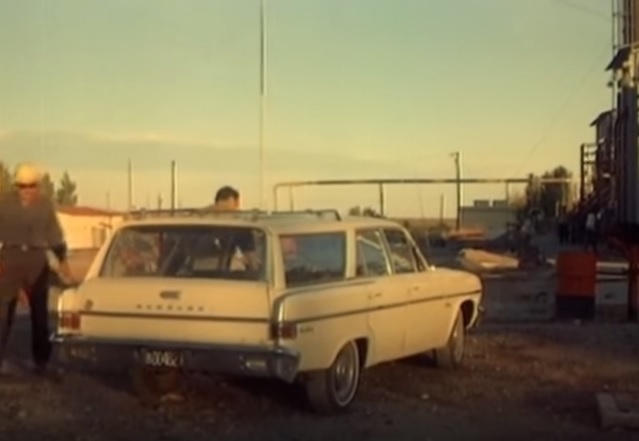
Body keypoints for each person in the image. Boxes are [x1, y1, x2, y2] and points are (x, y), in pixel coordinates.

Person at [0, 162, 75, 379]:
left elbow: (54, 235)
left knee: (40, 314)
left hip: (36, 259)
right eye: (22, 186)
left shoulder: (44, 206)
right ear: (17, 186)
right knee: (3, 314)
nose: (27, 190)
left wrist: (62, 260)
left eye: (31, 186)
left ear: (37, 186)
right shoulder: (4, 204)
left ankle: (41, 363)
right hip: (10, 258)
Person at [207, 186, 259, 271]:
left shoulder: (239, 228)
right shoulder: (239, 226)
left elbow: (251, 259)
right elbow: (252, 262)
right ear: (237, 203)